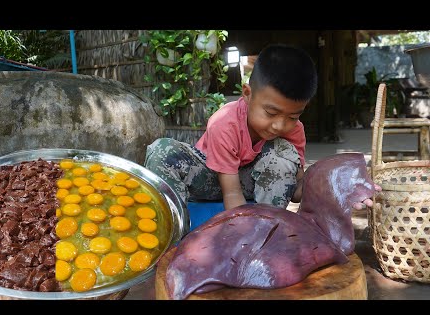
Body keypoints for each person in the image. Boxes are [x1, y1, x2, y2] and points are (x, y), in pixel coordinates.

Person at [145, 43, 380, 211]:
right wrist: (241, 231)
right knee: (161, 150)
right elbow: (231, 192)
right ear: (247, 94)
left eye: (293, 115)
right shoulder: (224, 122)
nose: (280, 125)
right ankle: (173, 229)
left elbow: (297, 189)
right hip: (208, 180)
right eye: (271, 112)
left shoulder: (294, 131)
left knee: (284, 153)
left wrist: (335, 186)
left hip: (251, 185)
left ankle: (269, 224)